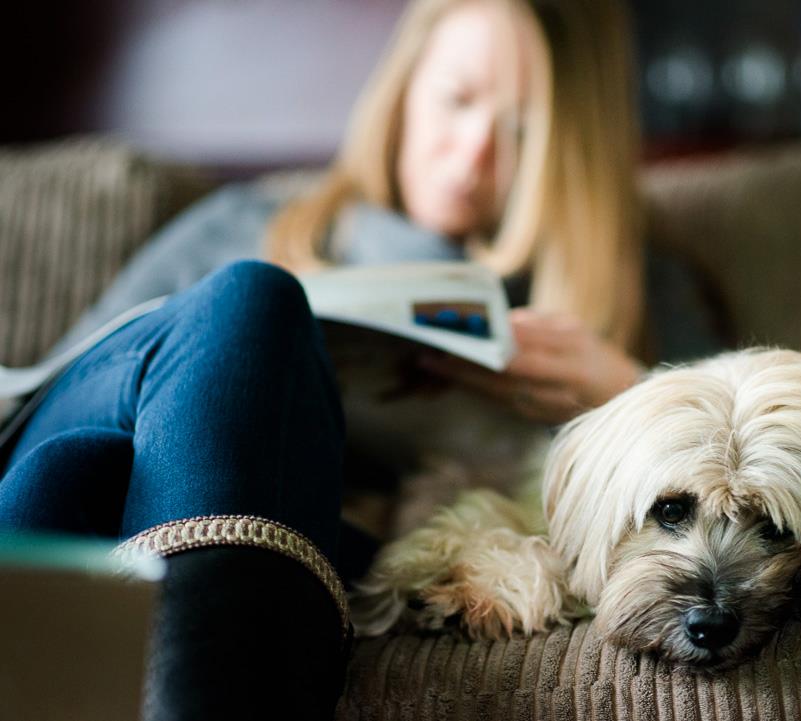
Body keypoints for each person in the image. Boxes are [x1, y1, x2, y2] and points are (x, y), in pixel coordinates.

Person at [0, 0, 717, 718]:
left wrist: (626, 392)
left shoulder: (642, 290)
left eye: (521, 132)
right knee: (246, 308)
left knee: (66, 481)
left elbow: (735, 471)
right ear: (404, 91)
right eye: (457, 100)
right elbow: (62, 385)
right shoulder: (247, 223)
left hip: (301, 542)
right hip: (95, 442)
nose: (473, 154)